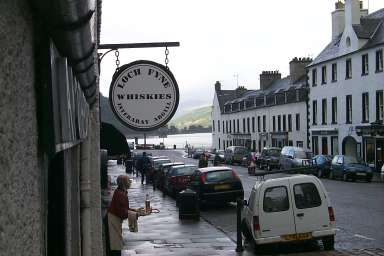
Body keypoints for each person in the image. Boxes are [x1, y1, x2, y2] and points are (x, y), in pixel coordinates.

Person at [106, 175, 137, 256]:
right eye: (128, 181)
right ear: (123, 183)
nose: (130, 182)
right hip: (112, 220)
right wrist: (136, 214)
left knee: (115, 244)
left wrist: (134, 211)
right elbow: (122, 213)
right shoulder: (121, 194)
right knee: (115, 246)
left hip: (113, 218)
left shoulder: (120, 192)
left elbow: (124, 209)